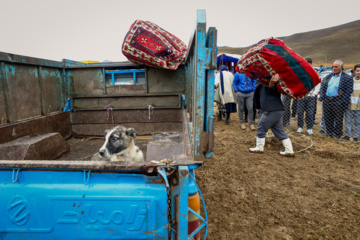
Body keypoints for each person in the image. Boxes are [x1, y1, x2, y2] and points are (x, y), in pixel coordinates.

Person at [250, 74, 295, 157]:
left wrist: (271, 83)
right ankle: (289, 150)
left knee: (261, 127)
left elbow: (271, 89)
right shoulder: (263, 84)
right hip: (278, 110)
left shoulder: (271, 83)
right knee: (279, 131)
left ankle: (259, 147)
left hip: (271, 110)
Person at [319, 60, 353, 139]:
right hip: (327, 100)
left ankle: (337, 134)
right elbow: (323, 87)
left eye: (336, 67)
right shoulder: (328, 76)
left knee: (338, 118)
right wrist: (323, 96)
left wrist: (342, 101)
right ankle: (329, 133)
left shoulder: (347, 78)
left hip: (338, 100)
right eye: (333, 67)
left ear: (341, 67)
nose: (334, 68)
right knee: (327, 117)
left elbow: (349, 90)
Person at [296, 58, 320, 135]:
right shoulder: (300, 73)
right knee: (300, 112)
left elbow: (318, 83)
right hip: (302, 96)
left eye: (309, 63)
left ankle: (309, 128)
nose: (307, 64)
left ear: (311, 64)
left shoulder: (315, 72)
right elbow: (297, 83)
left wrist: (314, 94)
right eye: (306, 63)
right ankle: (300, 127)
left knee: (310, 113)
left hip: (311, 96)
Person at [343, 64, 360, 142]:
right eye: (358, 71)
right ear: (355, 71)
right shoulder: (350, 81)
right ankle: (347, 136)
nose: (359, 72)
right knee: (348, 121)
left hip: (359, 106)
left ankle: (355, 137)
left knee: (358, 122)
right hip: (349, 105)